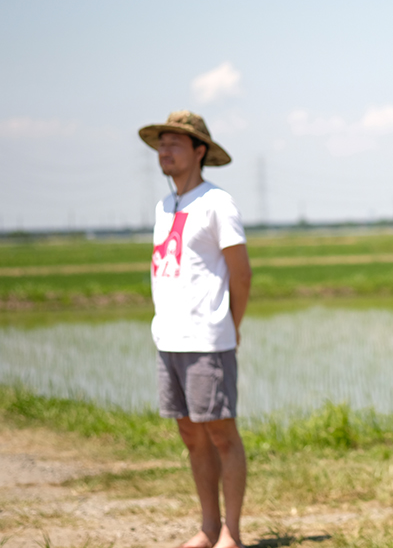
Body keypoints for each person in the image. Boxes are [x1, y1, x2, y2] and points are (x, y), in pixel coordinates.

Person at [139, 111, 253, 548]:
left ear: (199, 151)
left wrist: (231, 327)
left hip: (208, 337)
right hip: (168, 337)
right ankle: (208, 526)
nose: (164, 152)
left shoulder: (218, 203)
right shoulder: (163, 207)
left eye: (174, 144)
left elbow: (240, 274)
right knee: (190, 435)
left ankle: (232, 533)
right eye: (161, 145)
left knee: (222, 433)